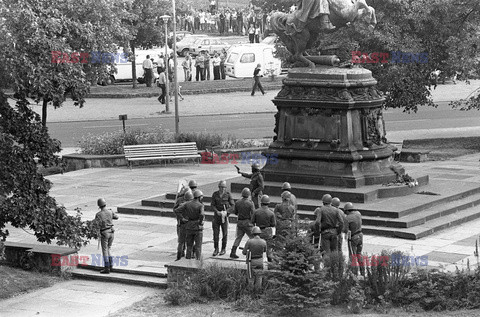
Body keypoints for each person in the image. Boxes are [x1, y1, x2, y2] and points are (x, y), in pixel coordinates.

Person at [174, 190, 205, 260]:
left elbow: (176, 210)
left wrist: (182, 218)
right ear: (199, 197)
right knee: (198, 246)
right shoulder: (200, 205)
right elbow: (202, 214)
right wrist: (200, 222)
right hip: (197, 227)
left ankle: (187, 260)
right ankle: (198, 261)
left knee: (189, 246)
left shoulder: (187, 204)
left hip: (189, 226)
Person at [93, 198, 118, 274]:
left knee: (105, 250)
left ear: (99, 206)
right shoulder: (110, 211)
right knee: (109, 248)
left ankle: (107, 267)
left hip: (104, 233)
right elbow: (116, 217)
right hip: (111, 231)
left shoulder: (98, 214)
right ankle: (111, 264)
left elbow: (96, 225)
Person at [230, 187, 256, 259]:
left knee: (238, 238)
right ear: (249, 194)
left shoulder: (238, 202)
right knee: (253, 237)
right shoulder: (250, 203)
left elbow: (235, 212)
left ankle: (233, 252)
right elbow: (253, 213)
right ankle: (253, 251)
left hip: (240, 222)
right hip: (248, 223)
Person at [211, 180, 234, 256]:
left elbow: (233, 205)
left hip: (224, 217)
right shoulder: (215, 194)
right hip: (217, 217)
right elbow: (212, 205)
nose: (222, 189)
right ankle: (216, 249)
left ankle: (223, 248)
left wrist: (227, 212)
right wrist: (216, 211)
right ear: (219, 187)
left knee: (225, 233)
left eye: (224, 187)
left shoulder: (228, 195)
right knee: (215, 234)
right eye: (221, 187)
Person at [251, 195, 276, 262]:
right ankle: (270, 265)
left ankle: (258, 264)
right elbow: (273, 224)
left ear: (261, 203)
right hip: (268, 232)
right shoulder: (271, 212)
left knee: (258, 249)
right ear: (268, 203)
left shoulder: (256, 212)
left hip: (258, 232)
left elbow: (252, 222)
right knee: (269, 250)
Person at [243, 226, 267, 291]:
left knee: (251, 277)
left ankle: (250, 292)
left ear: (252, 233)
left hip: (252, 261)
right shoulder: (263, 242)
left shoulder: (249, 241)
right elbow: (264, 250)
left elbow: (244, 252)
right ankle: (258, 293)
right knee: (259, 277)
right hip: (260, 261)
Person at [344, 202, 363, 275]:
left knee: (352, 255)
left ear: (347, 210)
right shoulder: (358, 213)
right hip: (360, 235)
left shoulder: (348, 218)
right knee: (359, 254)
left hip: (353, 237)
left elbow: (345, 229)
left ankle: (354, 273)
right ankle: (362, 271)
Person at [174, 189, 193, 260]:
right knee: (189, 242)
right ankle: (188, 257)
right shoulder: (192, 205)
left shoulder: (182, 203)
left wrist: (181, 218)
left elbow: (176, 210)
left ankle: (179, 257)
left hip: (182, 224)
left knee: (181, 242)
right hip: (189, 225)